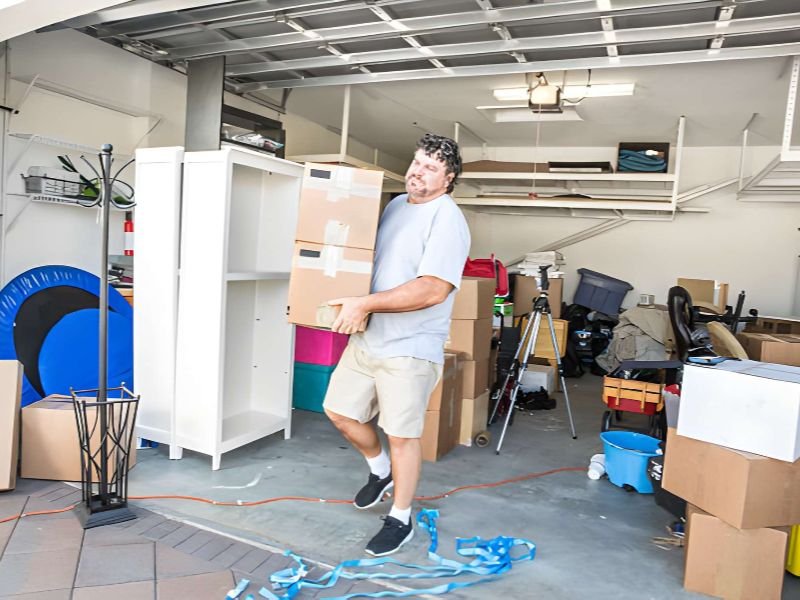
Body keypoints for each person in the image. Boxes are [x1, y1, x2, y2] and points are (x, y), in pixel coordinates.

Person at [323, 133, 471, 557]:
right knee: (339, 412)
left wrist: (365, 303)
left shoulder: (447, 219)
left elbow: (432, 290)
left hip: (411, 347)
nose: (417, 171)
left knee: (401, 434)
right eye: (416, 161)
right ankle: (380, 470)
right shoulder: (393, 207)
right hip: (369, 335)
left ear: (448, 179)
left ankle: (400, 518)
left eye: (430, 167)